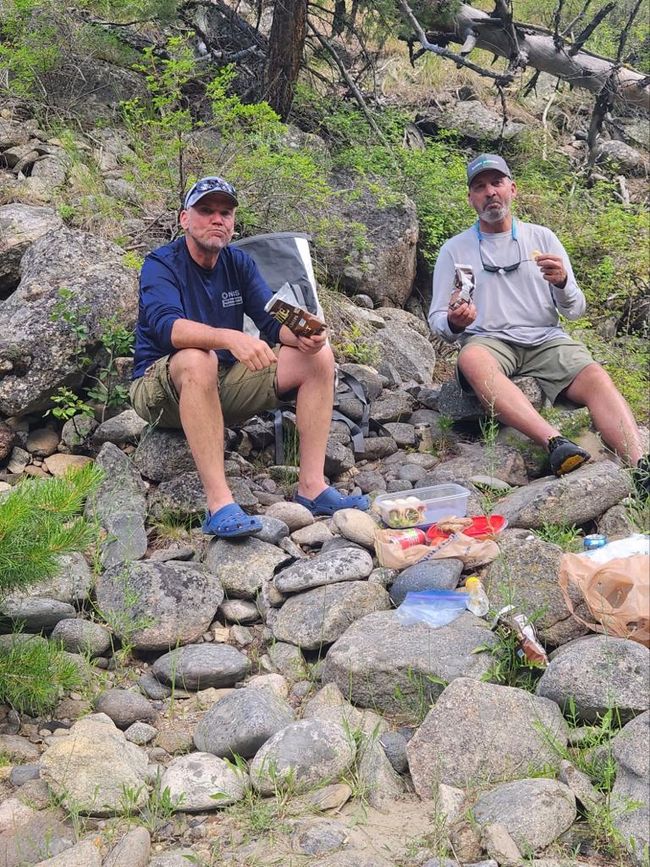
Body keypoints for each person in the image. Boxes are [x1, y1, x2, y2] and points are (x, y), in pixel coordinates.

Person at [130, 175, 368, 538]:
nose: (217, 219)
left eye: (225, 213)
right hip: (159, 388)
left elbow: (272, 322)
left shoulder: (238, 262)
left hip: (219, 382)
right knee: (197, 357)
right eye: (206, 210)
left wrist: (304, 335)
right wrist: (230, 337)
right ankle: (220, 503)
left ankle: (312, 487)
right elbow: (168, 328)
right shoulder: (161, 264)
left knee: (319, 357)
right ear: (184, 219)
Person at [429, 153, 648, 491]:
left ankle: (640, 468)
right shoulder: (454, 249)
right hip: (490, 340)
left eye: (496, 183)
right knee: (470, 357)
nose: (490, 192)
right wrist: (456, 324)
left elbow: (575, 310)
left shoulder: (542, 238)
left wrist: (562, 282)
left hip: (546, 338)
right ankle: (556, 443)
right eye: (480, 186)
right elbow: (437, 321)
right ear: (471, 198)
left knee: (595, 376)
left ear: (512, 189)